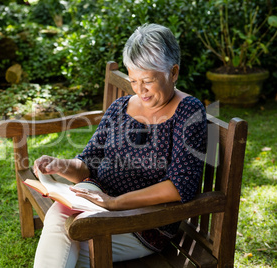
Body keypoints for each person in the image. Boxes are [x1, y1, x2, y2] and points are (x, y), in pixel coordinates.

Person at [33, 23, 207, 268]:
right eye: (133, 80)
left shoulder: (188, 112)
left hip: (143, 223)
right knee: (60, 221)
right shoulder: (119, 108)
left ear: (174, 72)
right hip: (95, 206)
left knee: (62, 238)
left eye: (147, 80)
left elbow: (180, 186)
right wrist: (60, 166)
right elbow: (87, 164)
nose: (140, 90)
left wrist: (115, 203)